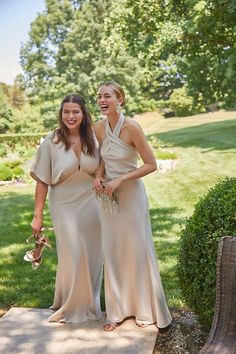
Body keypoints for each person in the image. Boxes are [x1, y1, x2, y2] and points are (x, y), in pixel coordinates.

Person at [93, 81, 172, 331]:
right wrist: (98, 176)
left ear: (120, 100)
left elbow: (151, 164)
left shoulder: (132, 127)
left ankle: (144, 310)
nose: (102, 100)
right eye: (99, 97)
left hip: (132, 197)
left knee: (137, 249)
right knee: (114, 250)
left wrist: (121, 180)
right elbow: (102, 161)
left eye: (107, 96)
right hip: (108, 199)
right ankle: (116, 311)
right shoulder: (98, 128)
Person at [30, 94, 103, 323]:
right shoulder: (52, 141)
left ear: (84, 114)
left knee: (92, 254)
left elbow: (105, 165)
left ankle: (88, 304)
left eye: (76, 112)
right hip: (63, 203)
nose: (71, 116)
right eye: (66, 112)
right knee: (72, 251)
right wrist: (37, 216)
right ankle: (71, 306)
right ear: (61, 114)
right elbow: (42, 180)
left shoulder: (94, 137)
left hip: (91, 202)